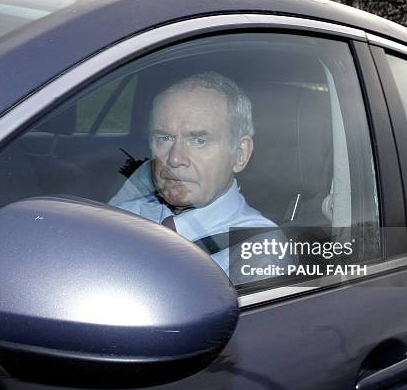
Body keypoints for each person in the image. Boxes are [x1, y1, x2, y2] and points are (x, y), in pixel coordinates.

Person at [109, 71, 289, 281]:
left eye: (198, 141)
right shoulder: (127, 214)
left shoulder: (259, 249)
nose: (175, 159)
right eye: (164, 138)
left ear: (240, 154)